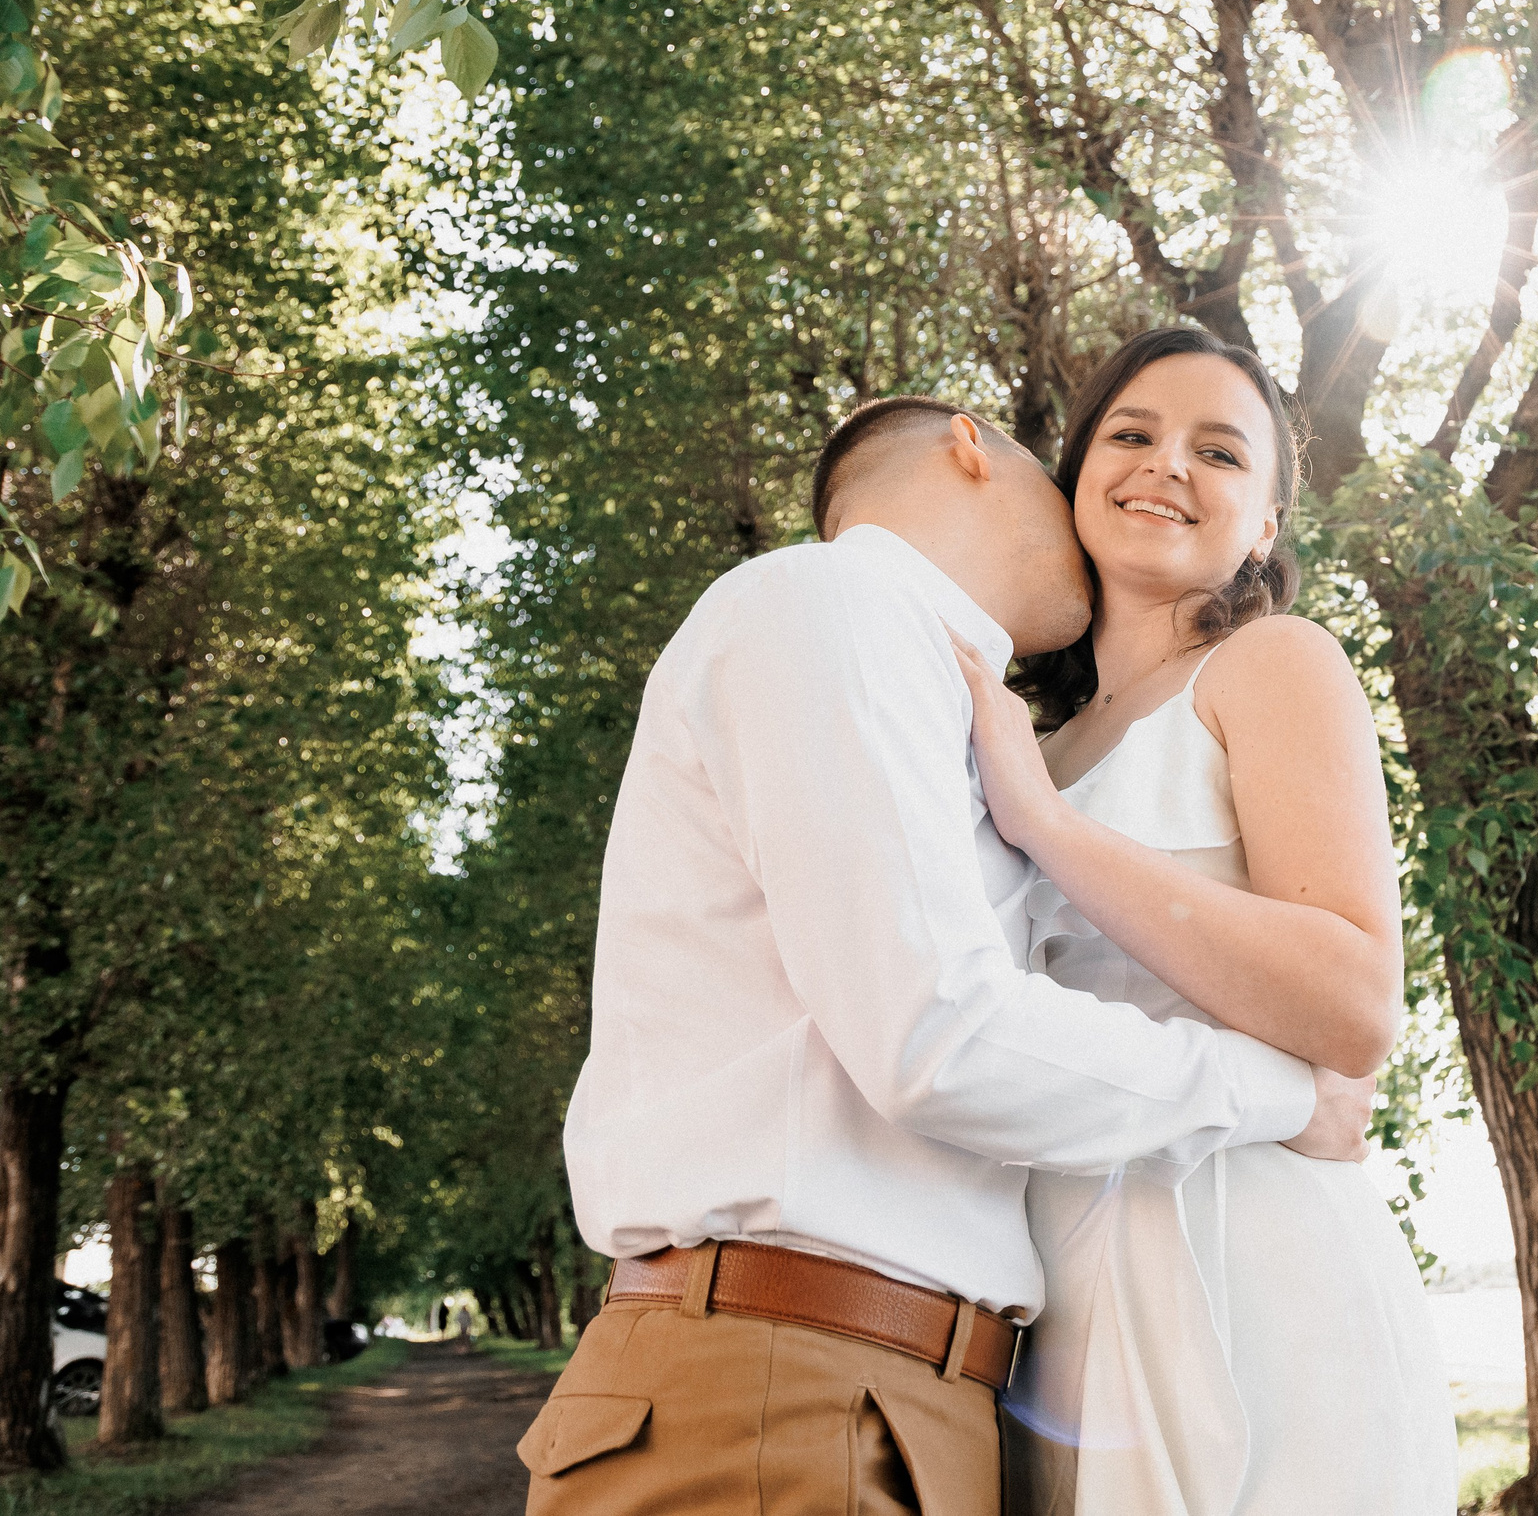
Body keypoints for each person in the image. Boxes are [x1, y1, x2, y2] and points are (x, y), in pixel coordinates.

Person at [515, 396, 1372, 1514]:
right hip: (779, 1384)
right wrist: (1277, 1093)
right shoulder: (830, 602)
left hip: (891, 1389)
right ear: (971, 448)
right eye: (1092, 457)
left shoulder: (940, 696)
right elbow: (940, 1035)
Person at [951, 326, 1458, 1515]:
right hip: (1049, 1291)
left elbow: (1353, 1003)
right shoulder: (1023, 742)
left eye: (1219, 451)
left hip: (1249, 1266)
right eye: (1130, 434)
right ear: (1076, 477)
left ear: (1264, 526)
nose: (1166, 463)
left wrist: (1048, 827)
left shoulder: (1270, 666)